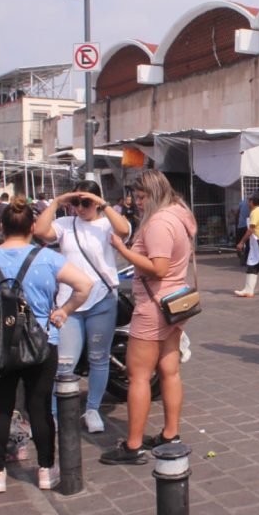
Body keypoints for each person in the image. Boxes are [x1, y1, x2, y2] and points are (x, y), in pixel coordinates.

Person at [0, 197, 93, 494]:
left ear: (1, 227)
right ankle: (46, 469)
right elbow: (85, 285)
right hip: (42, 343)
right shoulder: (47, 258)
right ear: (33, 227)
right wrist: (64, 311)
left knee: (0, 407)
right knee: (39, 407)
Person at [100, 170, 197, 465]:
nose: (137, 202)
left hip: (155, 305)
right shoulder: (179, 214)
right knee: (170, 371)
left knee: (139, 376)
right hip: (174, 304)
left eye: (141, 197)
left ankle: (133, 445)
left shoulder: (159, 223)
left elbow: (158, 268)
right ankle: (170, 434)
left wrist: (122, 249)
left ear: (154, 194)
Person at [34, 180, 133, 433]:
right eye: (76, 202)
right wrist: (57, 202)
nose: (80, 208)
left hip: (102, 299)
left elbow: (124, 230)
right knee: (64, 362)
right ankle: (56, 412)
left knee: (99, 358)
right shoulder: (66, 224)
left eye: (86, 202)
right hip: (69, 303)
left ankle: (92, 409)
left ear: (96, 202)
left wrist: (103, 204)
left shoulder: (107, 223)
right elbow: (41, 231)